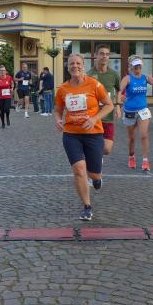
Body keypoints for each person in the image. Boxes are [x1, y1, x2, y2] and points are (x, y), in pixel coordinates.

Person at [55, 53, 114, 221]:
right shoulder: (63, 89)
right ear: (68, 67)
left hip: (93, 134)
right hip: (71, 135)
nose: (75, 66)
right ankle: (87, 207)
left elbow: (109, 105)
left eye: (78, 63)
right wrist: (58, 119)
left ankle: (97, 178)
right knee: (79, 170)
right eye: (71, 64)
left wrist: (95, 118)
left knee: (94, 174)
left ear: (83, 66)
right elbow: (58, 110)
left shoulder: (94, 84)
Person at [119, 55, 153, 171]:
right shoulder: (127, 79)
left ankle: (145, 160)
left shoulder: (146, 77)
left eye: (139, 66)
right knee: (131, 138)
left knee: (144, 135)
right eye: (135, 66)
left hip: (143, 110)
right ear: (131, 67)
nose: (138, 68)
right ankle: (131, 156)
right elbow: (119, 91)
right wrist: (121, 98)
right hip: (130, 111)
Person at [87, 44, 121, 156]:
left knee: (106, 149)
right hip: (93, 116)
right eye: (101, 54)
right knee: (94, 146)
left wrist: (118, 106)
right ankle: (96, 162)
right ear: (96, 55)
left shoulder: (114, 74)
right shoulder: (89, 75)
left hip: (108, 116)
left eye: (107, 54)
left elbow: (119, 90)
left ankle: (95, 157)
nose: (104, 56)